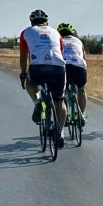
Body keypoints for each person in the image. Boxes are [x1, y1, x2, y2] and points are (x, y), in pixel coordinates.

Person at [19, 9, 68, 147]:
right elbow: (62, 53)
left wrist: (23, 73)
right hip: (58, 68)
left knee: (30, 83)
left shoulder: (26, 32)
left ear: (31, 22)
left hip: (37, 68)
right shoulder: (56, 33)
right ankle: (61, 132)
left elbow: (23, 57)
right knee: (59, 101)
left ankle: (37, 102)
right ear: (46, 22)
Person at [57, 23, 87, 127]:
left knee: (62, 92)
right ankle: (81, 115)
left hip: (65, 67)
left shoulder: (58, 40)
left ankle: (65, 117)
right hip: (79, 67)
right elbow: (83, 56)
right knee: (82, 90)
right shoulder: (79, 41)